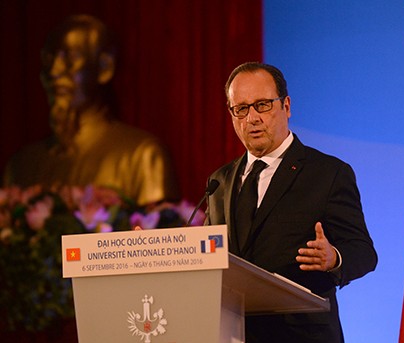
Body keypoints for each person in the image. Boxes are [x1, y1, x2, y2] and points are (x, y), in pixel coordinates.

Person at [204, 62, 377, 343]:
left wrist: (333, 258)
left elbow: (364, 252)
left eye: (262, 105)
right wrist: (169, 249)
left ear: (286, 106)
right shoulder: (219, 181)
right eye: (241, 109)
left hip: (302, 334)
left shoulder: (328, 173)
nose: (252, 118)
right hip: (235, 334)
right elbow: (211, 252)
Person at [3, 15, 179, 207]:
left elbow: (158, 230)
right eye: (49, 58)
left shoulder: (143, 156)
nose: (54, 70)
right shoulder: (22, 164)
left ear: (104, 68)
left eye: (70, 58)